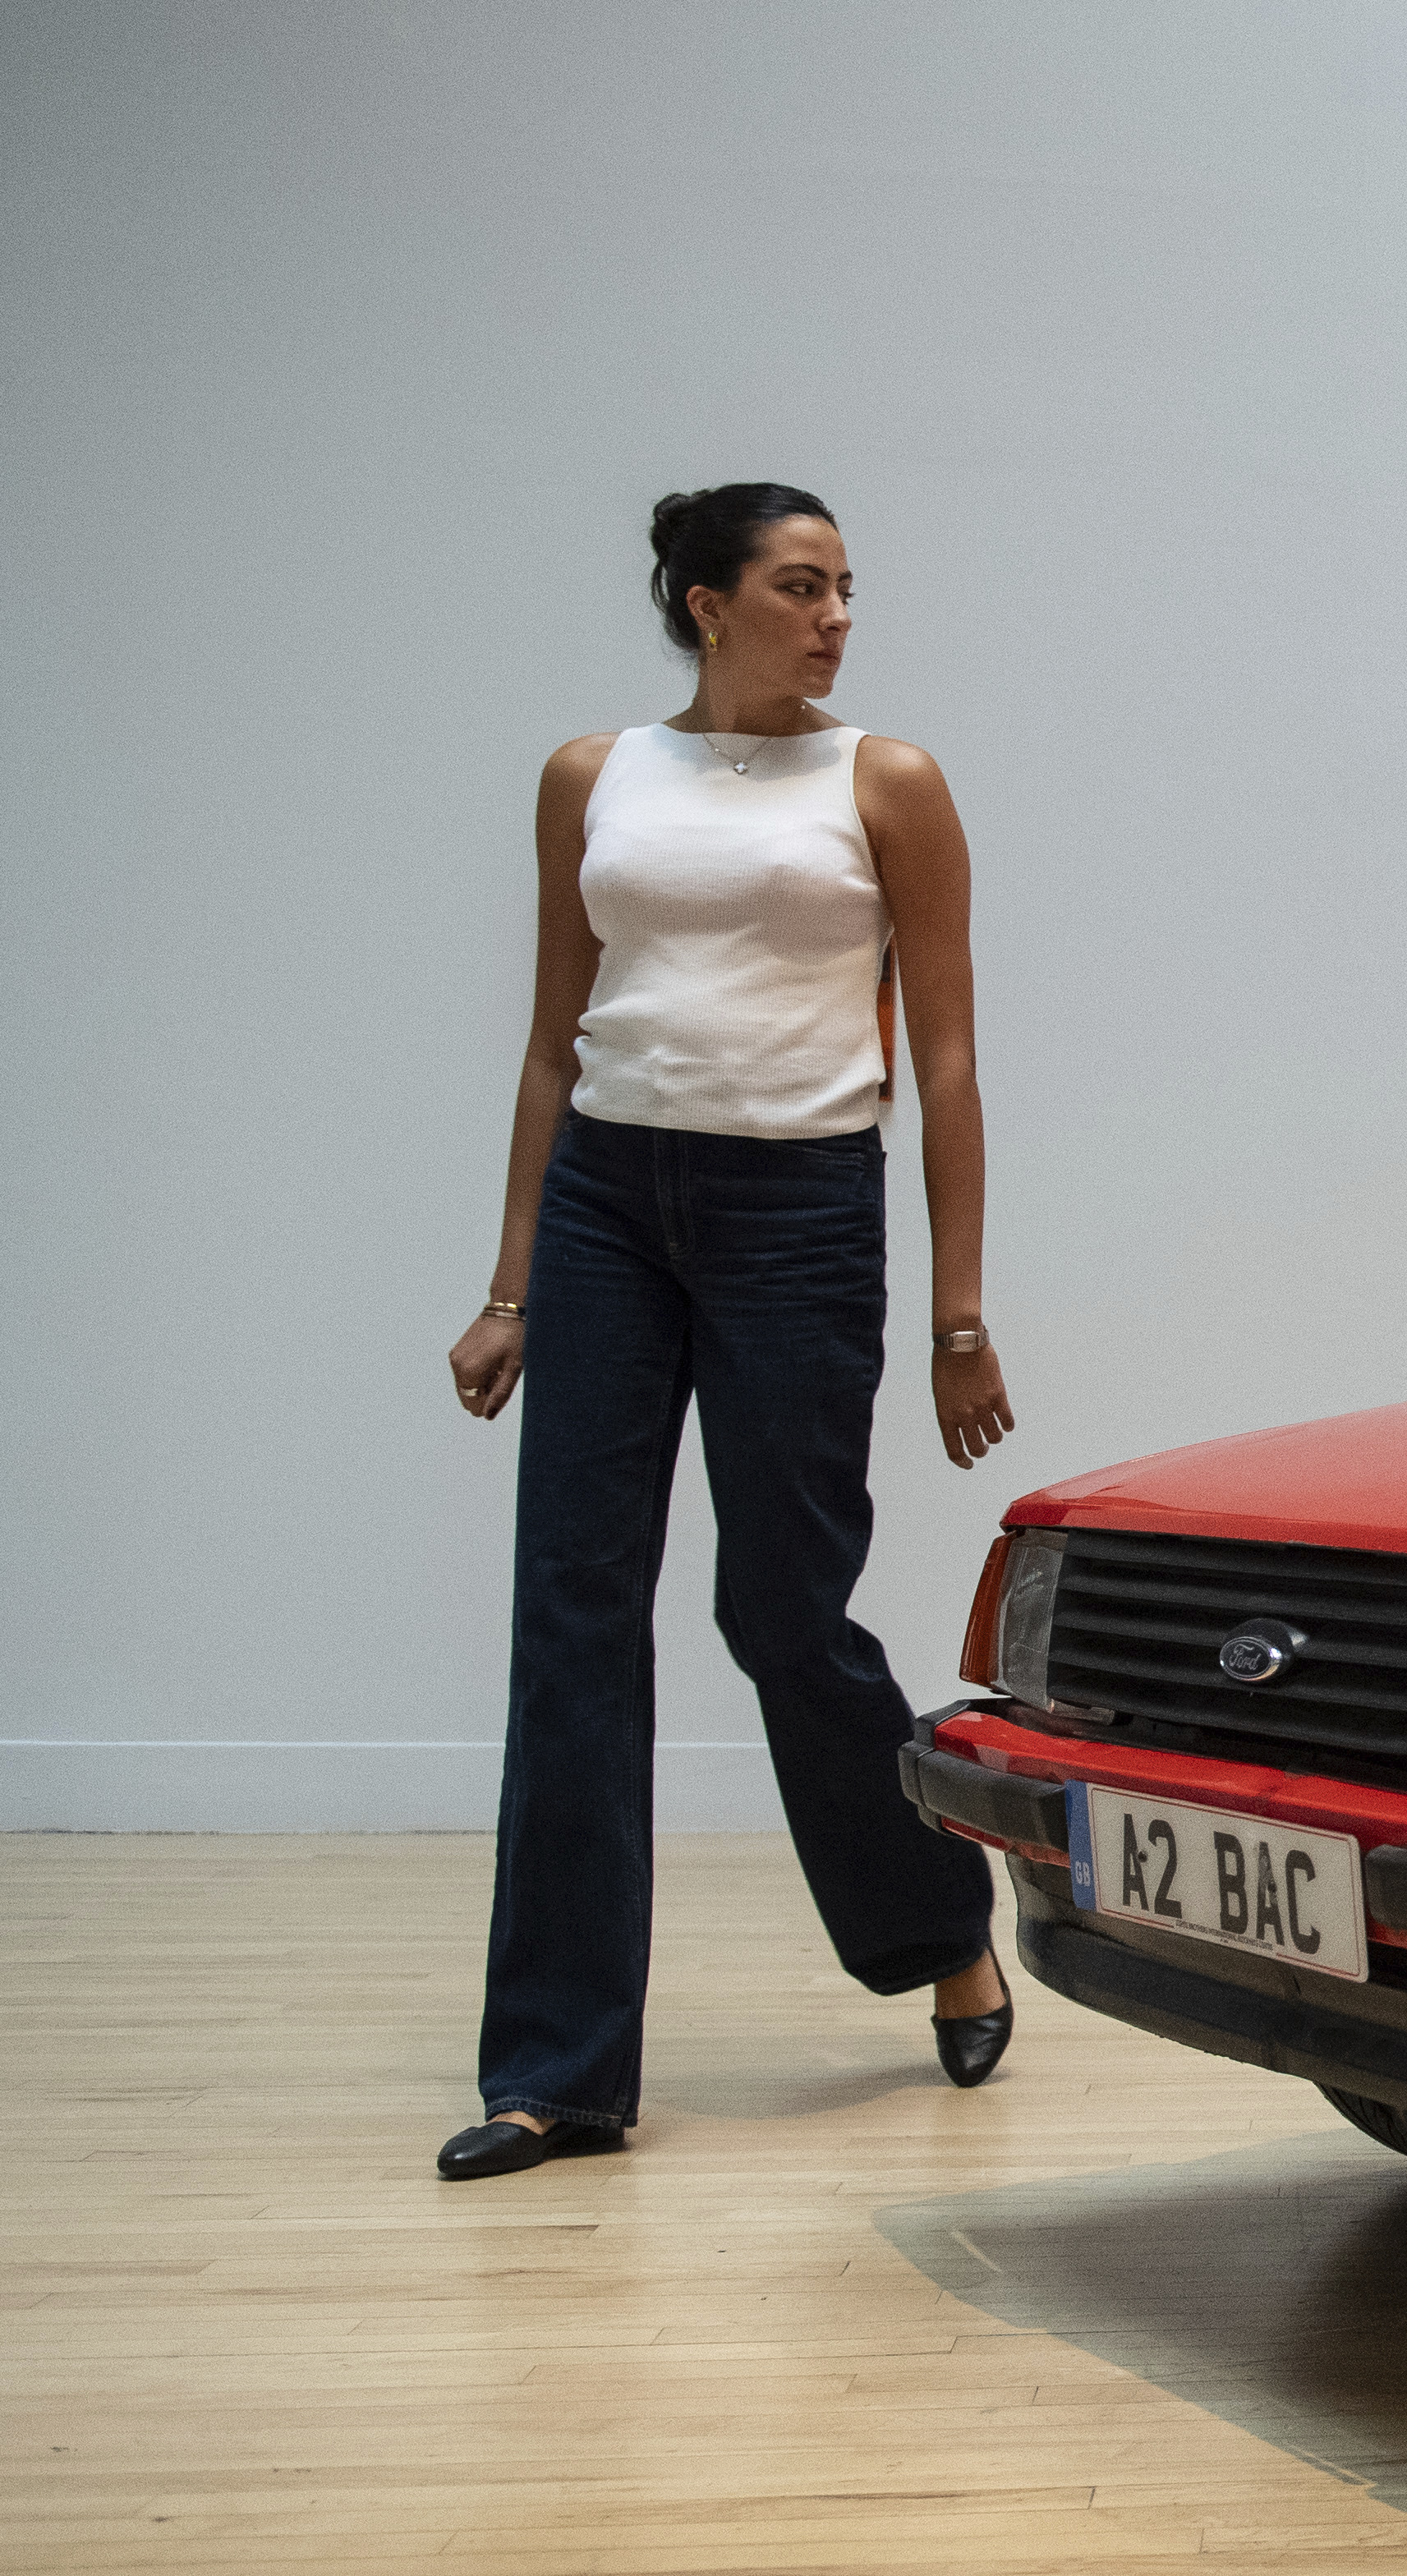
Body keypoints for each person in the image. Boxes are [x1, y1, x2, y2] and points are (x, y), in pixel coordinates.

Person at [435, 482, 1019, 2179]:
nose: (835, 613)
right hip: (613, 1204)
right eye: (798, 584)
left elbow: (952, 1058)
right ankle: (557, 2071)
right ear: (704, 602)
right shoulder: (592, 776)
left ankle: (932, 1927)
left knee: (782, 1610)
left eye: (846, 586)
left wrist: (959, 1316)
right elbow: (557, 1040)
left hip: (798, 1214)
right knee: (572, 1616)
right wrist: (511, 1286)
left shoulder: (885, 780)